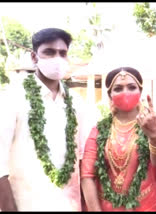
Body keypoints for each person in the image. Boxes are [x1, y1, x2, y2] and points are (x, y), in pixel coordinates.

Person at [0, 28, 94, 211]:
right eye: (49, 52)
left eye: (62, 53)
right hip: (27, 205)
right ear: (34, 57)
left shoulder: (76, 102)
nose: (57, 58)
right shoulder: (13, 98)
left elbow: (84, 157)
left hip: (69, 206)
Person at [80, 67, 156, 211]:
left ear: (140, 92)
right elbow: (87, 175)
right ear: (110, 95)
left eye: (132, 87)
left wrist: (154, 135)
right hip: (106, 207)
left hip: (147, 205)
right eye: (118, 88)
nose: (125, 92)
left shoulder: (152, 125)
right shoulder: (98, 131)